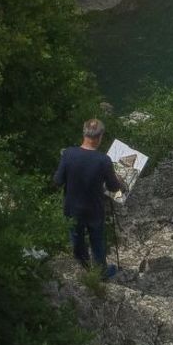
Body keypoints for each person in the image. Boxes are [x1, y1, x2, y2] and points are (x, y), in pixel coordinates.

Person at [52, 117, 125, 279]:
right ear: (99, 137)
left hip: (72, 207)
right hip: (94, 209)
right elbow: (114, 187)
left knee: (77, 238)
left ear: (84, 133)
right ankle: (101, 272)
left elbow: (57, 181)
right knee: (97, 240)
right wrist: (119, 180)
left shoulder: (68, 154)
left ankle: (84, 267)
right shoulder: (103, 160)